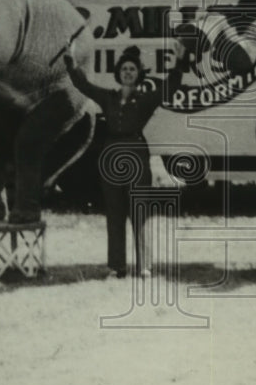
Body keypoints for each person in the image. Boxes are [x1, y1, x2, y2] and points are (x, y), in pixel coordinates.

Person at [63, 43, 187, 278]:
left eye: (132, 69)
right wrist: (71, 61)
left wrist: (180, 62)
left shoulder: (146, 99)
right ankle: (116, 266)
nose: (128, 72)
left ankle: (144, 266)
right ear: (118, 73)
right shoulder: (108, 97)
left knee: (139, 210)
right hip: (111, 156)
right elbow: (83, 85)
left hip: (137, 155)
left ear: (138, 74)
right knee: (114, 212)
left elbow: (170, 86)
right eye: (124, 69)